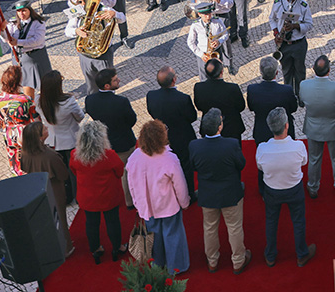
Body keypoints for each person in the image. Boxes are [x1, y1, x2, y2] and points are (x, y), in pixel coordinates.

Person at [189, 108, 251, 273]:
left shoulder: (195, 146)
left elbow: (193, 166)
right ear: (219, 127)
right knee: (234, 227)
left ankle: (212, 261)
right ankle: (238, 261)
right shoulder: (231, 144)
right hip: (230, 194)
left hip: (208, 194)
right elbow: (242, 164)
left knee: (209, 227)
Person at [127, 120, 190, 274]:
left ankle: (157, 264)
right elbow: (180, 185)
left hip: (147, 206)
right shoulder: (169, 158)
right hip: (168, 205)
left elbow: (131, 183)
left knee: (153, 236)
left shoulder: (134, 157)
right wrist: (185, 202)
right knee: (173, 235)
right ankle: (176, 267)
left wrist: (137, 202)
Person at [256, 106, 316, 267]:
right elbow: (304, 162)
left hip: (272, 190)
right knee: (298, 221)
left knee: (271, 221)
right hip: (294, 189)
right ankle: (302, 254)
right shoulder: (298, 146)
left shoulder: (262, 148)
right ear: (286, 125)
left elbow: (260, 167)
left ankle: (270, 255)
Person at [71, 120, 126, 264]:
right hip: (108, 196)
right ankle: (116, 248)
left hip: (87, 198)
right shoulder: (109, 155)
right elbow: (120, 171)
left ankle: (95, 250)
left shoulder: (75, 155)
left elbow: (73, 170)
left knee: (91, 223)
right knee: (113, 221)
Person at [298, 54, 335, 200]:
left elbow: (302, 100)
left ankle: (313, 186)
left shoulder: (304, 85)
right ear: (329, 70)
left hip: (313, 127)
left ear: (313, 69)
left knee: (314, 158)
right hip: (334, 127)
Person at [20, 122, 74, 256]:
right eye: (44, 129)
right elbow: (63, 174)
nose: (47, 129)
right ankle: (66, 247)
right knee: (60, 218)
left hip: (37, 190)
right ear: (39, 137)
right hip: (55, 190)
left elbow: (23, 168)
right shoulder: (50, 156)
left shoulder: (25, 153)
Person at [84, 68, 136, 207]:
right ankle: (128, 201)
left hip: (105, 143)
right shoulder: (121, 102)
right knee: (126, 172)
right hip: (123, 143)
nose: (119, 80)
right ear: (107, 86)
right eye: (115, 80)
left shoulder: (90, 100)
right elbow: (132, 120)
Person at [146, 66, 199, 197]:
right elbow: (192, 117)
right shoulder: (183, 98)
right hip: (182, 137)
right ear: (174, 80)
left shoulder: (151, 95)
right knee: (185, 166)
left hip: (161, 137)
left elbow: (152, 112)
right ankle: (189, 194)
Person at [38, 69, 83, 203]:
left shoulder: (39, 101)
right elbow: (80, 117)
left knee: (60, 173)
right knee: (74, 171)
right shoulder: (68, 101)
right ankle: (77, 196)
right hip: (70, 140)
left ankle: (66, 197)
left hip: (52, 141)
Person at [0, 65, 39, 176]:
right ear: (18, 82)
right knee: (29, 162)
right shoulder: (25, 100)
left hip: (8, 133)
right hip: (24, 133)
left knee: (14, 160)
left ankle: (17, 179)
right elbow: (36, 120)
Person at [270, 0, 313, 96]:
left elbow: (309, 24)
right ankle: (288, 95)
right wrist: (276, 33)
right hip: (283, 44)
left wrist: (295, 26)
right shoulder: (278, 3)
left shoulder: (303, 6)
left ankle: (301, 95)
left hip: (298, 44)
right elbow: (272, 19)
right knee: (286, 71)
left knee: (300, 71)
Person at [246, 57, 298, 144]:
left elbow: (251, 107)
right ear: (277, 73)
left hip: (262, 131)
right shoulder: (286, 90)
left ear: (261, 73)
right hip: (284, 132)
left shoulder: (252, 90)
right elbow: (293, 108)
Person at [3, 2, 52, 91]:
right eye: (18, 11)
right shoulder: (13, 23)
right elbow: (6, 38)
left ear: (30, 10)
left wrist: (18, 42)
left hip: (36, 57)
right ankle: (29, 103)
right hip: (20, 58)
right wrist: (2, 30)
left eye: (24, 11)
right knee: (26, 83)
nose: (21, 14)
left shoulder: (38, 23)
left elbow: (37, 41)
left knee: (45, 84)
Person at [193, 58, 246, 140]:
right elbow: (241, 107)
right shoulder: (232, 88)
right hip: (231, 127)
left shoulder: (199, 87)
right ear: (221, 72)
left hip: (209, 128)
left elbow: (199, 106)